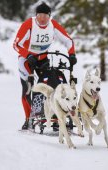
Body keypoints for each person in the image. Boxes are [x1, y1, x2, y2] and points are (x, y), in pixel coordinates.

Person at [13, 2, 77, 130]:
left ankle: (55, 115)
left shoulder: (53, 25)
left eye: (45, 16)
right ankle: (28, 120)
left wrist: (71, 54)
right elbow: (16, 44)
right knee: (28, 88)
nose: (42, 19)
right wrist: (27, 55)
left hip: (43, 58)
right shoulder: (28, 25)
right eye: (39, 16)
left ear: (49, 16)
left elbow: (68, 40)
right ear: (36, 16)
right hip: (26, 60)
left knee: (51, 83)